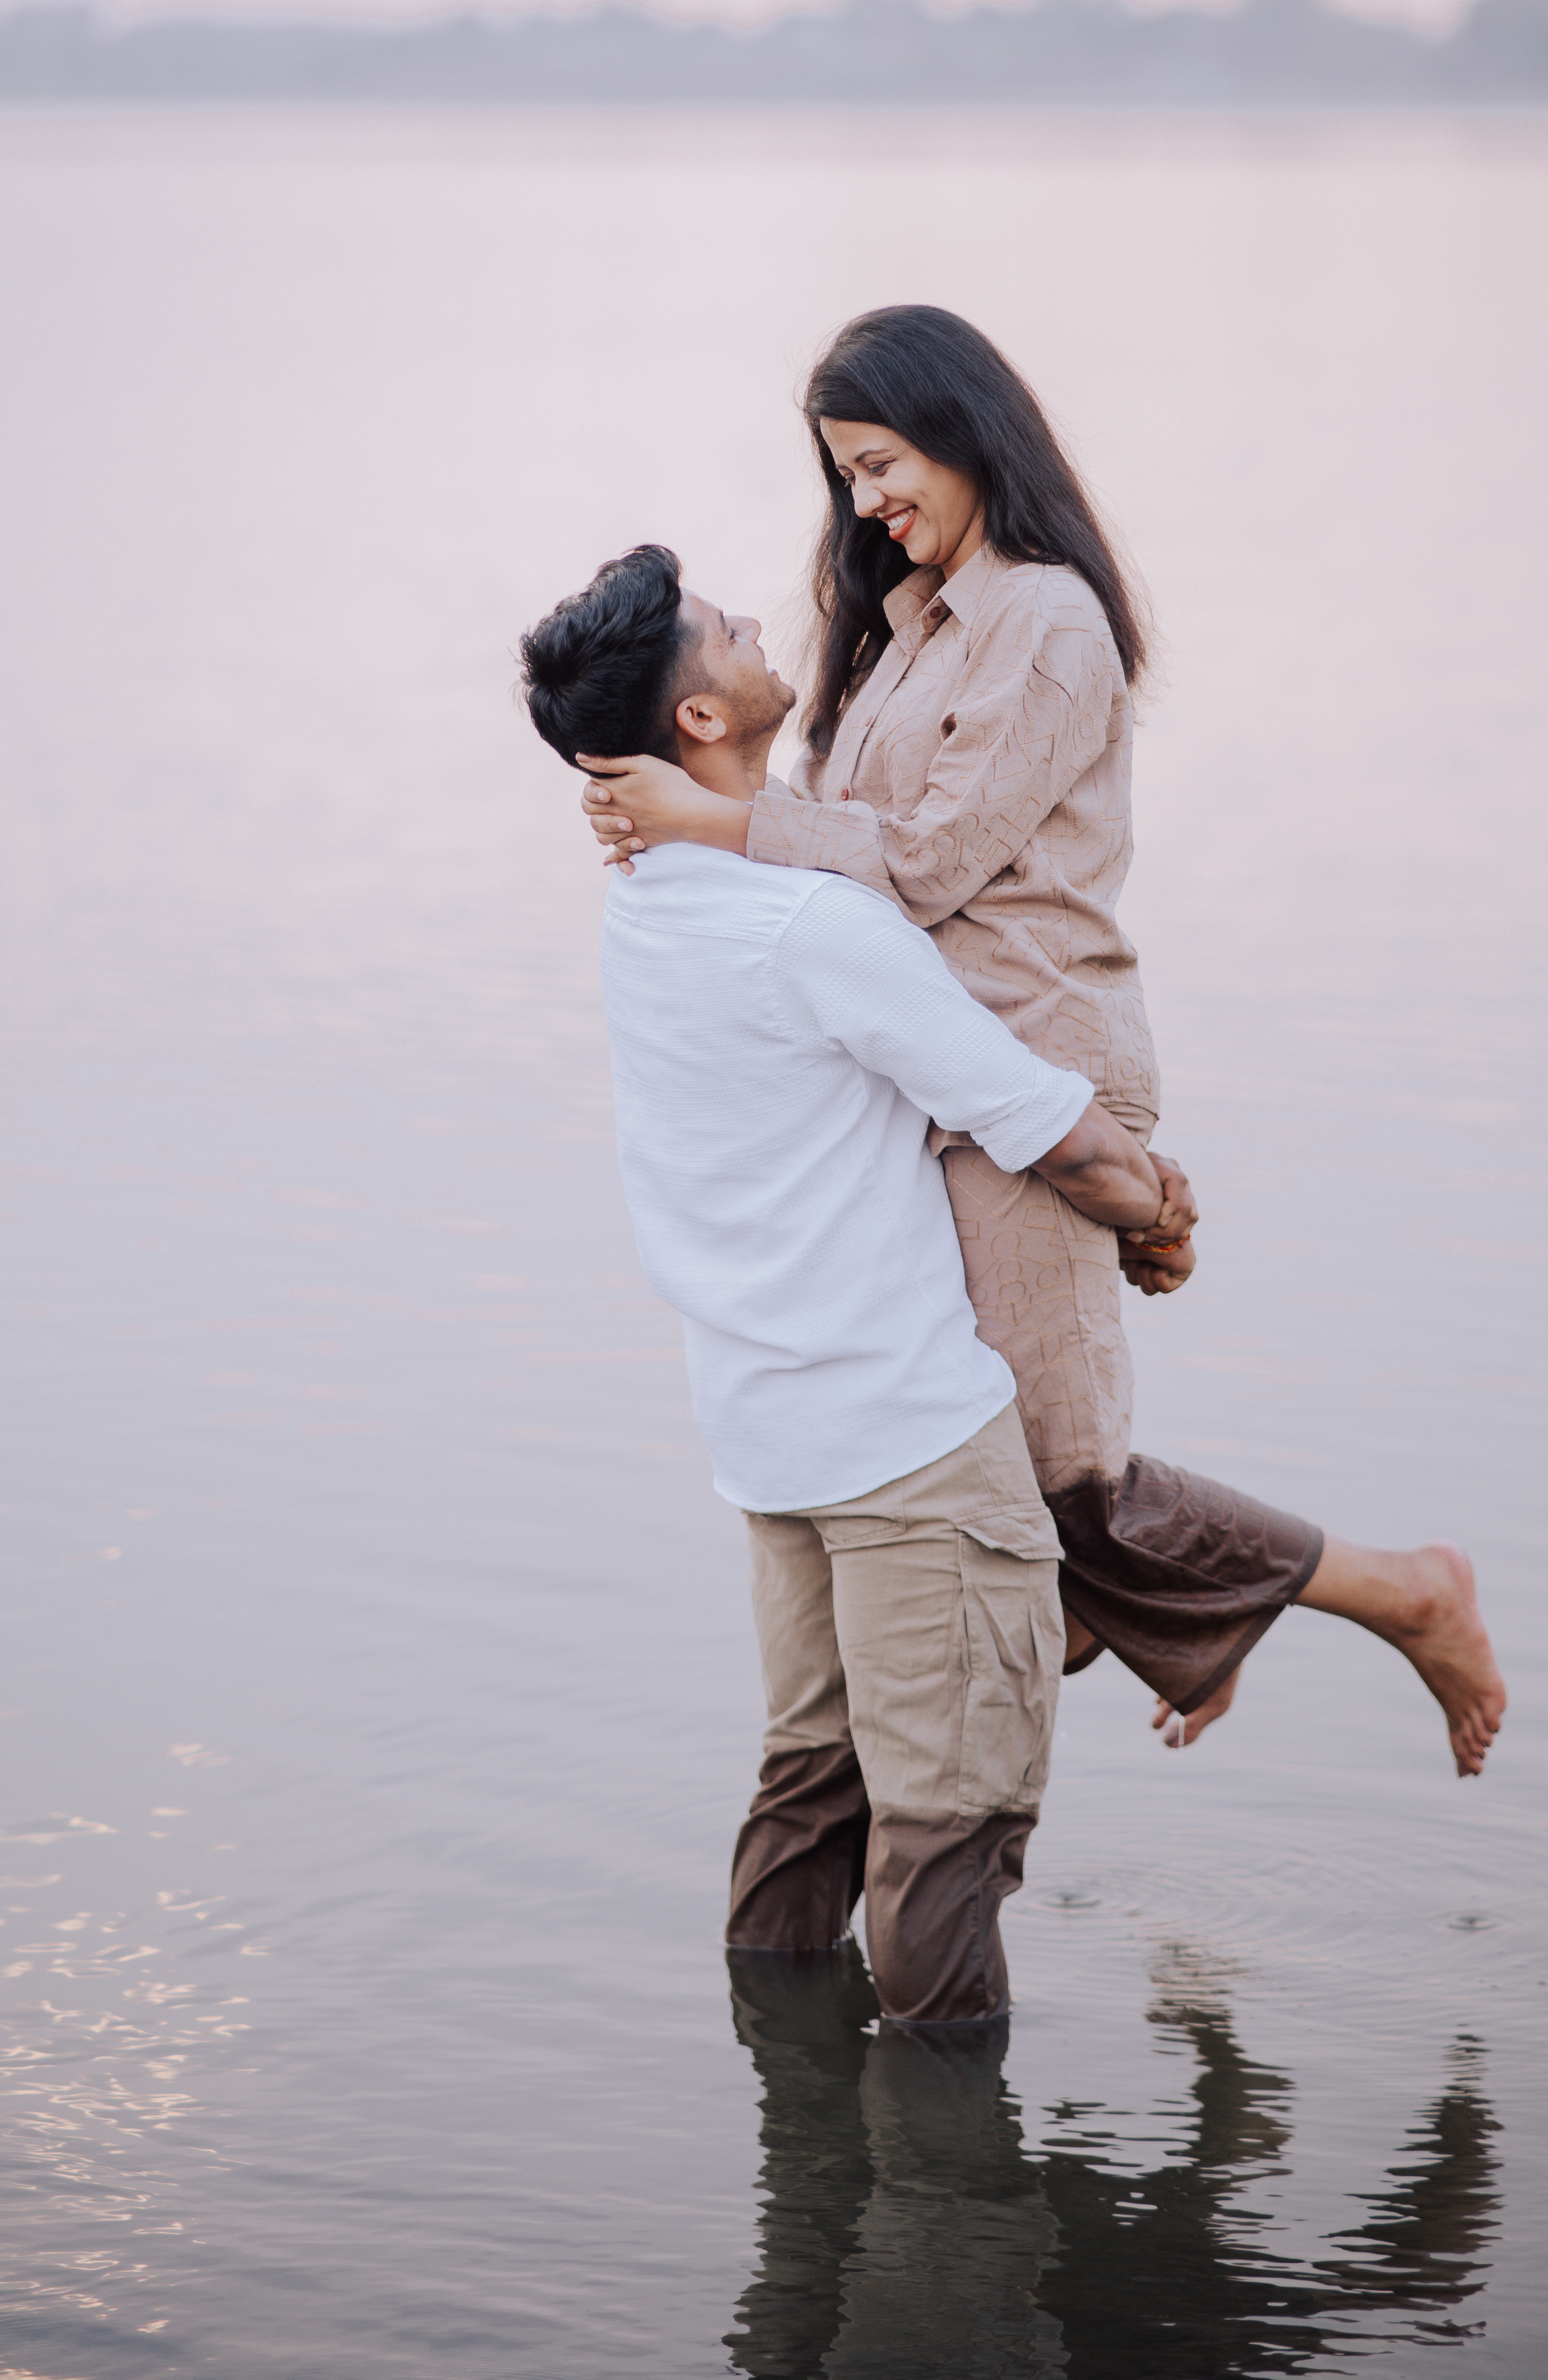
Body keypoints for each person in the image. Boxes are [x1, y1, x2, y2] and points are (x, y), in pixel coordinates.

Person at [576, 304, 1506, 1779]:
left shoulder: (1048, 625)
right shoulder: (907, 628)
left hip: (1028, 1064)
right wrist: (693, 831)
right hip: (938, 1084)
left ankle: (1404, 1592)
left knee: (1060, 1486)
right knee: (999, 1479)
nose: (866, 504)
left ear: (962, 431)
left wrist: (710, 818)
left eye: (881, 464)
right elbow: (850, 857)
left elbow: (924, 865)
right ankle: (1182, 1624)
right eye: (847, 476)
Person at [518, 542, 1198, 2027]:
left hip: (767, 1439)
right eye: (724, 630)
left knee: (809, 1793)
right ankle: (941, 2164)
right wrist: (1160, 1209)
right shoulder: (812, 925)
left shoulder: (648, 907)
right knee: (953, 1832)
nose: (759, 629)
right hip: (908, 1444)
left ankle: (792, 2119)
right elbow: (1044, 1125)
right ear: (699, 719)